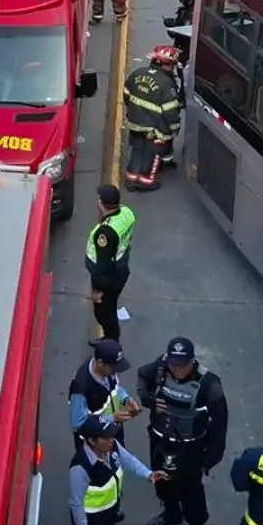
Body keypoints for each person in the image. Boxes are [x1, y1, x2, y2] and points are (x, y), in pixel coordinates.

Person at [137, 336, 228, 525]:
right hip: (160, 442)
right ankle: (171, 513)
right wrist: (148, 399)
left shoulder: (210, 386)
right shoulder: (159, 368)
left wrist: (210, 459)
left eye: (182, 365)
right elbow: (141, 376)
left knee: (191, 494)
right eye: (173, 364)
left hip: (190, 449)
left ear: (192, 361)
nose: (177, 370)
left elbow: (220, 425)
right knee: (161, 481)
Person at [122, 45, 183, 191]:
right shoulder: (167, 84)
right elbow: (170, 113)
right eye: (172, 65)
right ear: (165, 64)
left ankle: (131, 180)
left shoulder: (138, 73)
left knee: (137, 150)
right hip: (155, 128)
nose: (173, 69)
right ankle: (145, 182)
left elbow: (126, 95)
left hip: (135, 123)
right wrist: (174, 129)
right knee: (152, 154)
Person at [85, 184, 135, 342]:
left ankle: (110, 343)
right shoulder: (127, 213)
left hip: (109, 278)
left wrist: (97, 290)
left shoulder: (105, 233)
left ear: (100, 202)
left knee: (104, 313)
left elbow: (103, 266)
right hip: (121, 268)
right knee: (111, 305)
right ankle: (111, 339)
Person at [70, 338, 141, 449]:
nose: (115, 371)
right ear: (100, 364)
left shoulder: (108, 371)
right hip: (95, 444)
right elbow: (78, 423)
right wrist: (111, 418)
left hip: (112, 433)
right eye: (113, 368)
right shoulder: (81, 386)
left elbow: (115, 388)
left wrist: (126, 399)